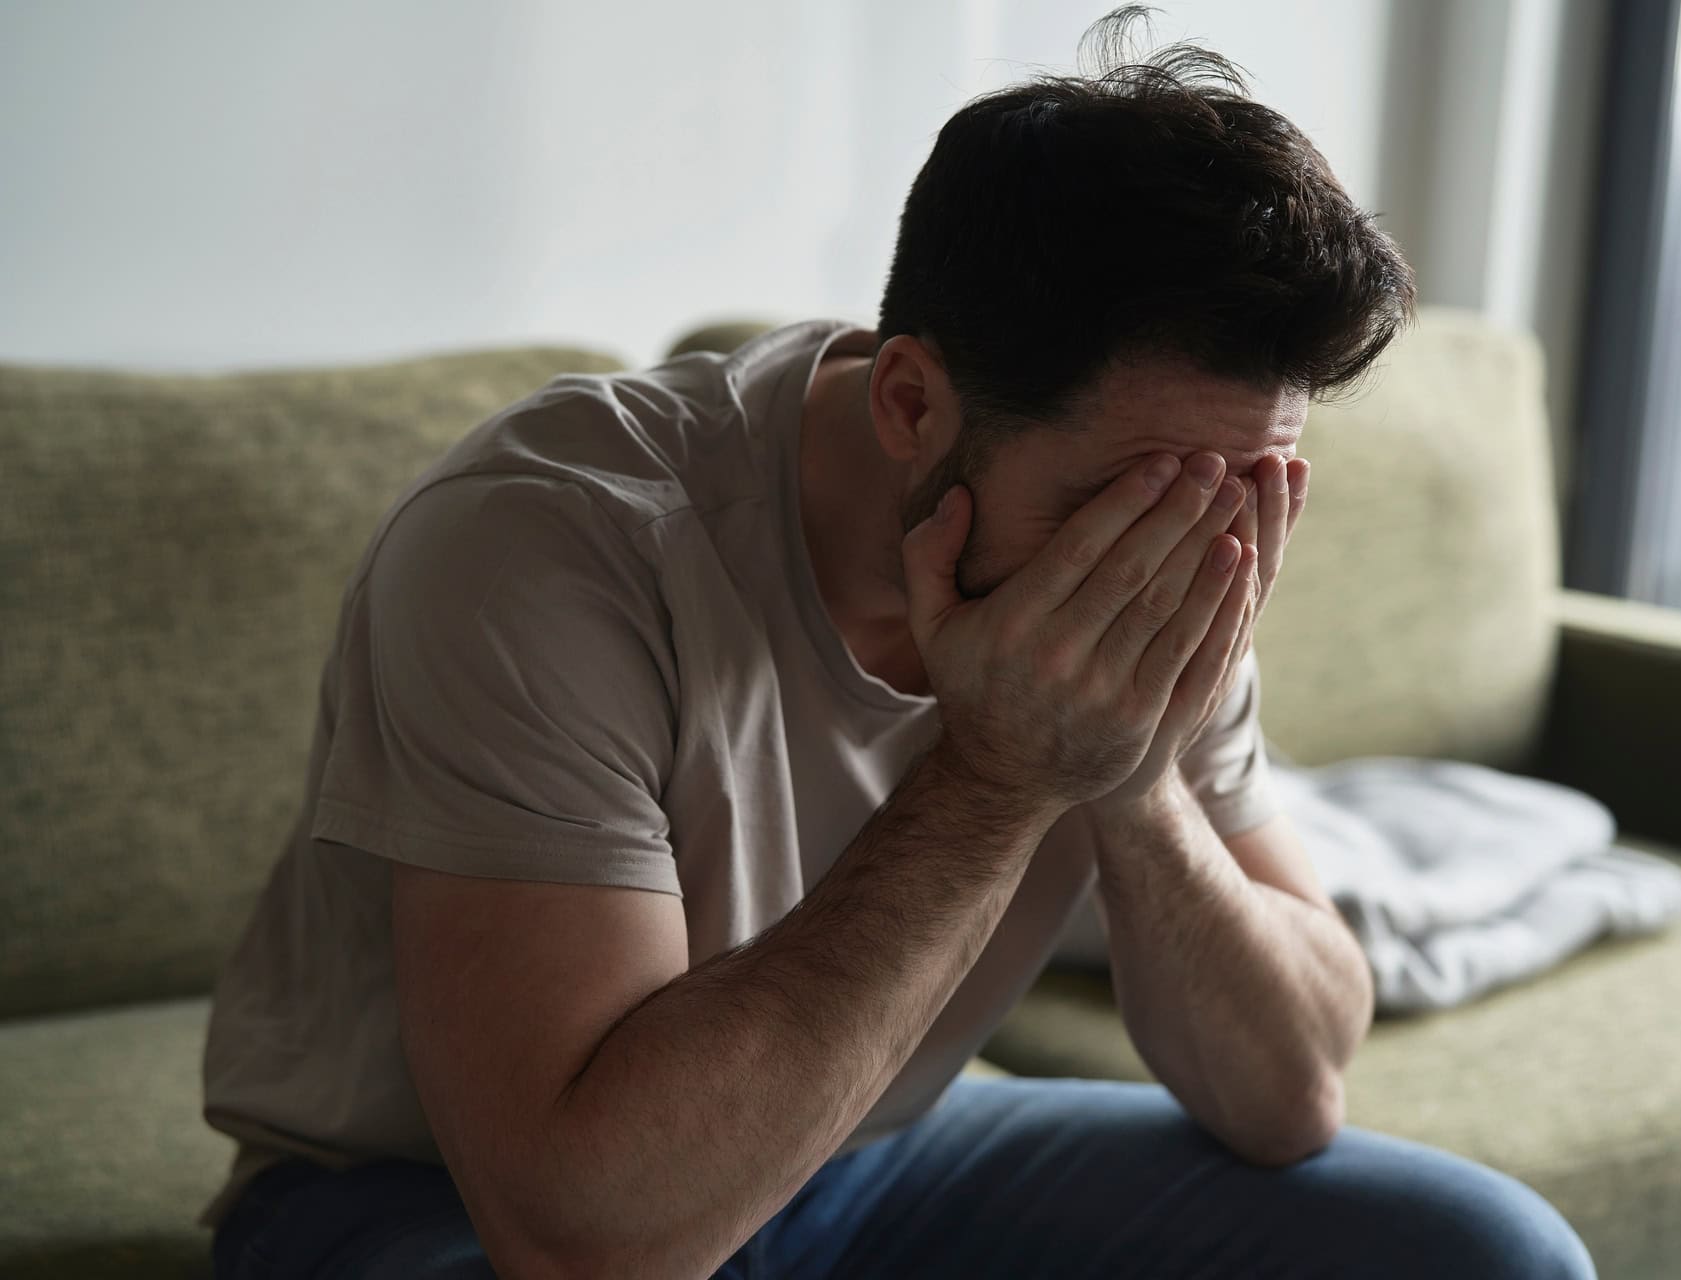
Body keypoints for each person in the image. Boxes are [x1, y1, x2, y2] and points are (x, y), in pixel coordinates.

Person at [200, 9, 1596, 1278]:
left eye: (1247, 489)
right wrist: (995, 779)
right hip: (428, 1207)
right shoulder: (551, 542)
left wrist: (1129, 771)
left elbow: (1291, 1093)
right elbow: (589, 1235)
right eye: (1130, 500)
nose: (1179, 560)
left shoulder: (1184, 551)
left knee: (1484, 1256)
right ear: (914, 401)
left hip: (862, 1160)